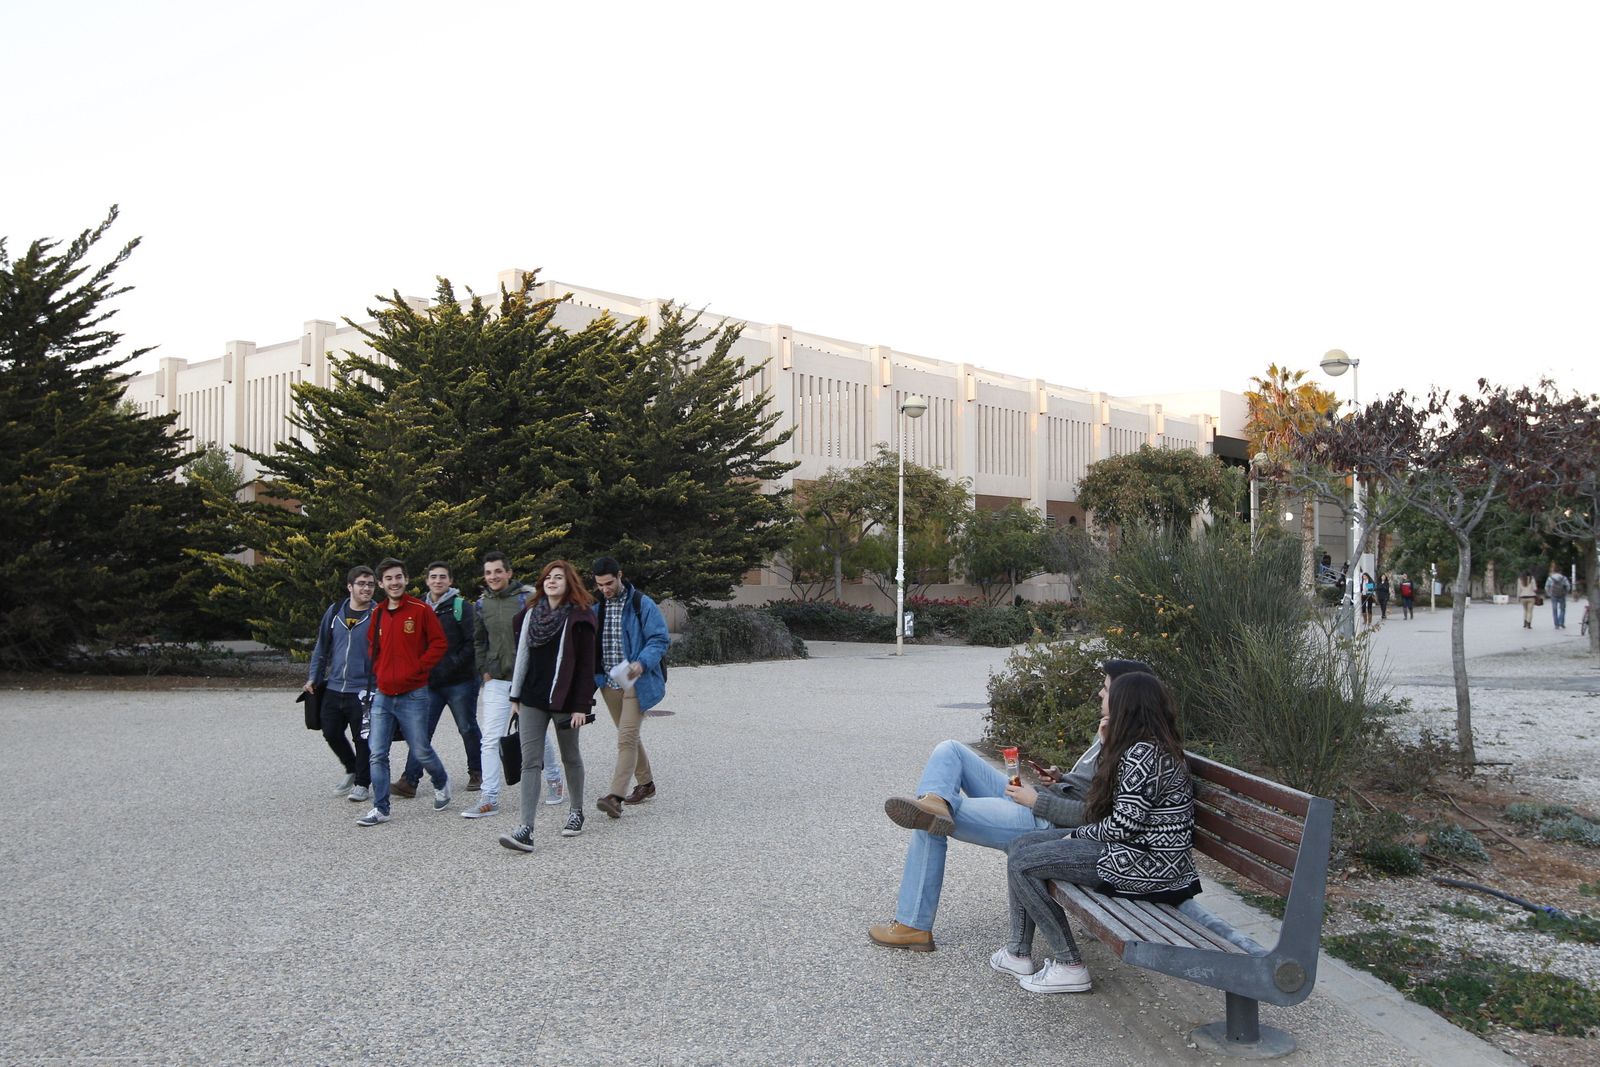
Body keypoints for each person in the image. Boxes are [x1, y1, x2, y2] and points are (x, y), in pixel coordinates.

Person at [866, 658, 1157, 952]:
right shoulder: (1110, 730)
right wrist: (1060, 779)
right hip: (1039, 800)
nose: (1100, 693)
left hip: (1044, 821)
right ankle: (936, 801)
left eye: (1106, 688)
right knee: (950, 751)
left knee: (926, 820)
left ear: (1125, 696)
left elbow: (1101, 816)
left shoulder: (1136, 750)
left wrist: (1038, 801)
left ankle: (913, 925)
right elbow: (1089, 786)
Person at [993, 672, 1198, 993]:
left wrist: (1076, 836)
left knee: (1024, 862)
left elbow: (1123, 825)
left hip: (1148, 864)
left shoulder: (1144, 755)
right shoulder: (1141, 748)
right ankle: (1018, 953)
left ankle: (1069, 966)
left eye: (1107, 692)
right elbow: (1106, 807)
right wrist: (1106, 747)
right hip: (1136, 852)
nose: (1102, 696)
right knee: (1020, 844)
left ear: (1124, 705)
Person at [498, 561, 599, 850]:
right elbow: (522, 657)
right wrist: (515, 696)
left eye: (558, 578)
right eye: (548, 578)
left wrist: (582, 706)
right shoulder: (530, 615)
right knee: (530, 761)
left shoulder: (580, 617)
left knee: (570, 756)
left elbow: (587, 666)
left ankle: (576, 811)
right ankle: (525, 829)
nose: (552, 581)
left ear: (569, 584)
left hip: (565, 698)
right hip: (531, 697)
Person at [463, 552, 564, 820]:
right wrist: (484, 670)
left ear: (509, 572)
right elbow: (479, 640)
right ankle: (489, 797)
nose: (493, 577)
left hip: (527, 679)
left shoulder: (528, 598)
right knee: (490, 739)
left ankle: (554, 778)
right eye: (488, 572)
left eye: (498, 571)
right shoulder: (481, 605)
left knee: (535, 735)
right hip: (496, 680)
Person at [355, 558, 450, 827]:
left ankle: (441, 780)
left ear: (406, 579)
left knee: (420, 749)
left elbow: (439, 643)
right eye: (388, 579)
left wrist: (418, 668)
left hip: (414, 693)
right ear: (381, 584)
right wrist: (380, 670)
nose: (394, 582)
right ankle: (381, 808)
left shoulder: (420, 610)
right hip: (384, 694)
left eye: (398, 577)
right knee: (377, 753)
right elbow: (373, 646)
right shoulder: (377, 613)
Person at [393, 562, 483, 798]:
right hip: (430, 683)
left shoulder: (462, 607)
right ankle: (409, 780)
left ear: (450, 581)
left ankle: (478, 772)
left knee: (467, 727)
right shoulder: (418, 608)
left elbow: (473, 643)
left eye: (443, 577)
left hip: (460, 681)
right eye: (433, 577)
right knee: (421, 731)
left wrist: (450, 665)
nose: (438, 581)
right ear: (427, 581)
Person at [591, 557, 670, 819]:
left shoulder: (641, 604)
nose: (605, 589)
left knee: (625, 737)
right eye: (600, 584)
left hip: (637, 680)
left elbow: (659, 639)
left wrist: (641, 663)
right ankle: (646, 783)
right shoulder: (596, 606)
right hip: (608, 682)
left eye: (609, 583)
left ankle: (615, 797)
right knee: (629, 735)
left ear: (620, 575)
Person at [305, 565, 377, 805]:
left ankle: (362, 784)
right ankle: (351, 767)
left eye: (370, 584)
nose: (366, 588)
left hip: (364, 688)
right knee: (330, 731)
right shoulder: (335, 611)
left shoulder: (378, 614)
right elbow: (321, 647)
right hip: (335, 687)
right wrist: (314, 677)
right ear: (350, 587)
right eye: (361, 584)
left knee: (362, 739)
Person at [1546, 566, 1571, 630]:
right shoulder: (1564, 578)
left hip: (1553, 595)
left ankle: (1556, 624)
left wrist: (1549, 594)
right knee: (1562, 609)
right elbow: (1568, 586)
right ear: (1560, 571)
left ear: (1554, 571)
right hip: (1562, 595)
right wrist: (1566, 593)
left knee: (1554, 610)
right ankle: (1561, 623)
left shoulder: (1550, 578)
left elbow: (1546, 587)